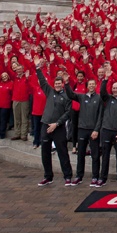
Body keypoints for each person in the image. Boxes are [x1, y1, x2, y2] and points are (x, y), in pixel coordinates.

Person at [34, 57, 73, 186]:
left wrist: (57, 124)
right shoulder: (49, 91)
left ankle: (67, 176)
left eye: (59, 83)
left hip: (59, 127)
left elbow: (68, 113)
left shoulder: (66, 96)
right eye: (55, 83)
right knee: (45, 152)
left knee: (62, 152)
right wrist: (38, 68)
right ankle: (48, 176)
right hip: (45, 125)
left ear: (62, 84)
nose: (57, 85)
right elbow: (42, 81)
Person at [65, 78, 103, 187]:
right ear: (87, 86)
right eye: (89, 84)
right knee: (80, 154)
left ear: (95, 85)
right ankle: (79, 176)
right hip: (82, 129)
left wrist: (96, 129)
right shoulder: (82, 97)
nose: (91, 86)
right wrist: (67, 83)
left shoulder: (99, 98)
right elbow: (71, 95)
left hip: (93, 130)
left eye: (93, 84)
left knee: (95, 155)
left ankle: (95, 176)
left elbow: (100, 115)